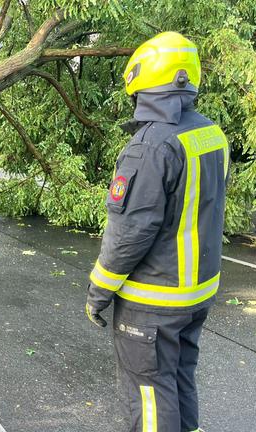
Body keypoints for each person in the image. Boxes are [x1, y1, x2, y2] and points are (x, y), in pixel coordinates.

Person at [85, 32, 229, 432]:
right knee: (179, 377)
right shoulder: (210, 135)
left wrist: (98, 292)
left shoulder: (149, 145)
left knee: (148, 390)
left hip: (154, 300)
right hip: (197, 293)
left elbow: (130, 231)